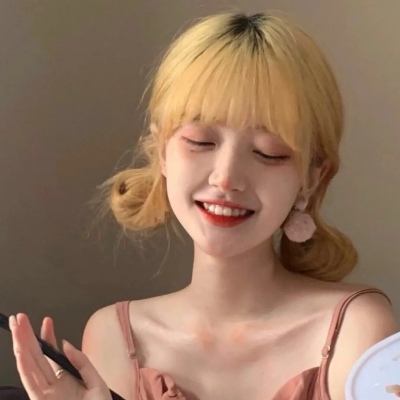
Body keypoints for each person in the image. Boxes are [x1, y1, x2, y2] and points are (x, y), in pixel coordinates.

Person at [9, 11, 399, 400]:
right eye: (200, 142)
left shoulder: (355, 328)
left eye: (268, 152)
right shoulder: (114, 335)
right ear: (161, 151)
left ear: (313, 176)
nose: (225, 178)